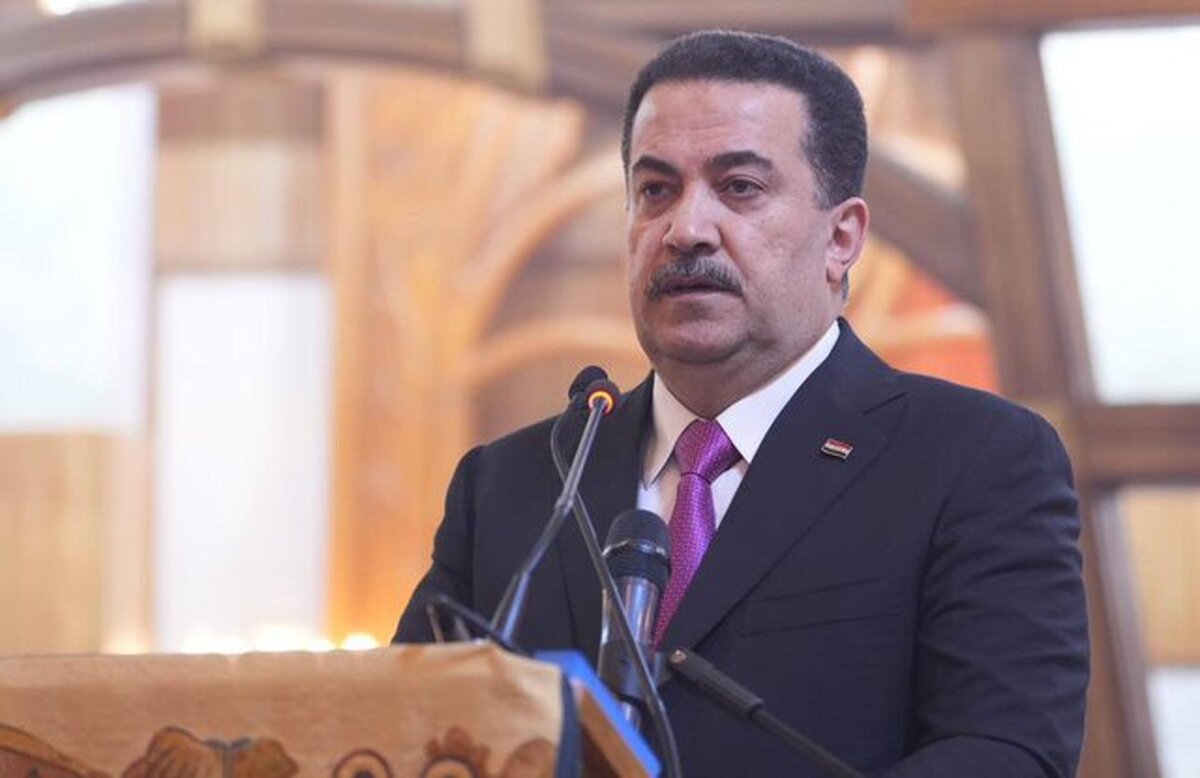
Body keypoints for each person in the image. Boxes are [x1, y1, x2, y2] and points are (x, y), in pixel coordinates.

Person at [395, 30, 1088, 777]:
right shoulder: (516, 484)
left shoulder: (972, 459)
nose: (686, 229)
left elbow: (1005, 755)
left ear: (842, 237)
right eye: (655, 190)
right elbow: (398, 732)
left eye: (740, 188)